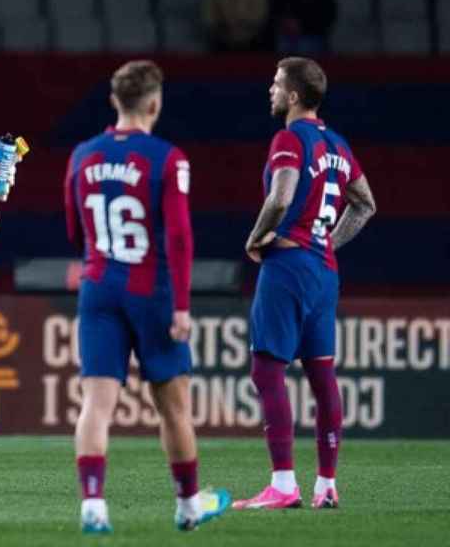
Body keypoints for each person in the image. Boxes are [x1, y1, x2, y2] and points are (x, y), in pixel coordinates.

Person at [62, 60, 230, 534]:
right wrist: (180, 305)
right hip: (151, 290)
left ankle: (93, 505)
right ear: (155, 103)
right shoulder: (168, 158)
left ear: (114, 101)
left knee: (96, 403)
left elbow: (74, 228)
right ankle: (189, 506)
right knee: (173, 406)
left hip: (98, 289)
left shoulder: (83, 156)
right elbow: (179, 237)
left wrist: (100, 260)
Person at [235, 57, 376, 511]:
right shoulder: (337, 143)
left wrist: (255, 238)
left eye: (276, 84)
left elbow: (279, 197)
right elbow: (365, 205)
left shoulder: (289, 139)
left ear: (294, 96)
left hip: (288, 266)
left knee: (266, 369)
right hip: (324, 270)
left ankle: (282, 484)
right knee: (322, 375)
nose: (270, 90)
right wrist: (326, 241)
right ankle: (326, 485)